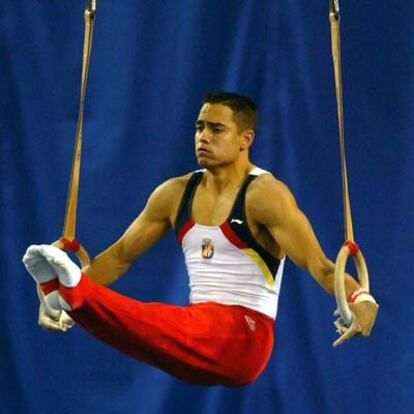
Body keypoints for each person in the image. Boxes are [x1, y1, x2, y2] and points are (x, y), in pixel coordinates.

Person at [23, 92, 378, 387]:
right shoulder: (175, 193)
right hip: (195, 332)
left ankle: (72, 291)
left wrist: (359, 297)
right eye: (199, 127)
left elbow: (319, 265)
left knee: (156, 321)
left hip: (246, 337)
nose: (203, 136)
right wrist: (61, 302)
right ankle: (68, 296)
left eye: (216, 129)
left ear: (245, 139)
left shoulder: (265, 195)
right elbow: (119, 257)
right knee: (138, 333)